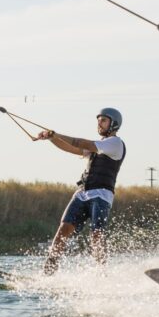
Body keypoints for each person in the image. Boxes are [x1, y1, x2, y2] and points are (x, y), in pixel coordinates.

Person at [36, 108, 126, 275]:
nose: (99, 123)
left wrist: (57, 134)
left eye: (103, 120)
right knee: (63, 230)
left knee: (96, 234)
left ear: (114, 124)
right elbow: (72, 148)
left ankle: (102, 273)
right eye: (98, 120)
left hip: (101, 195)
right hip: (82, 193)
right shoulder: (97, 146)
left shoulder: (115, 144)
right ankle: (48, 273)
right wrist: (51, 138)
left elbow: (82, 143)